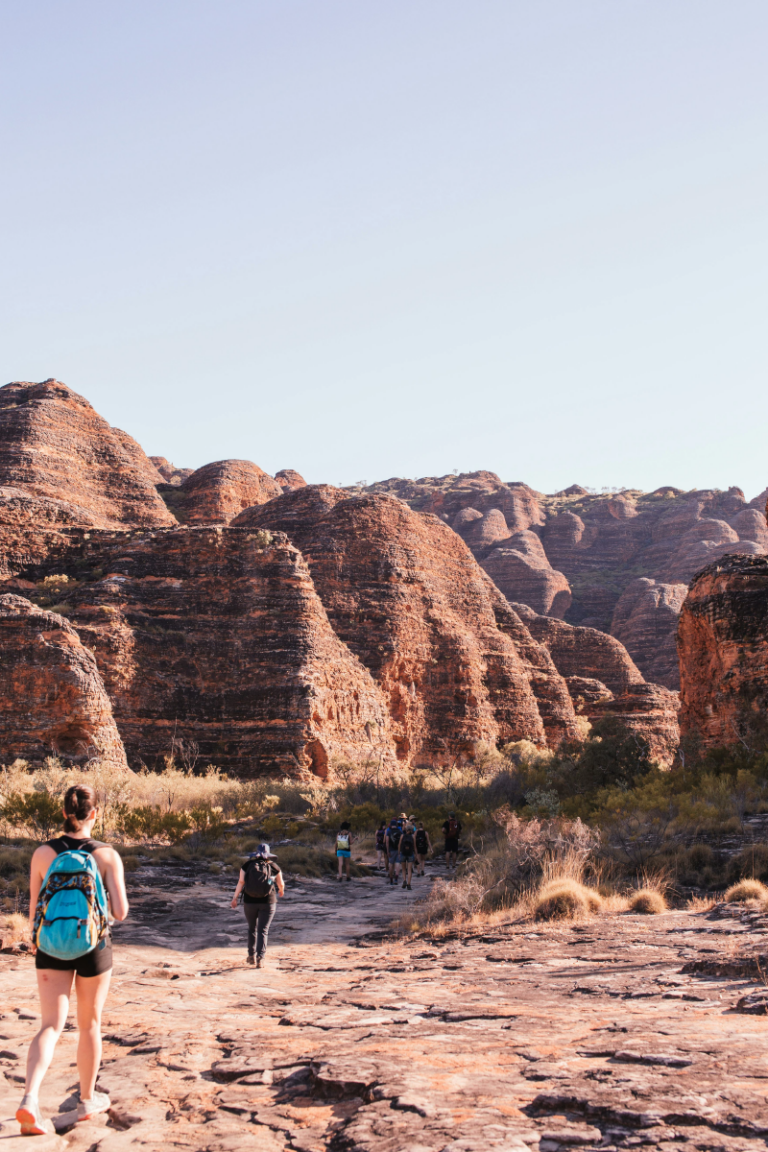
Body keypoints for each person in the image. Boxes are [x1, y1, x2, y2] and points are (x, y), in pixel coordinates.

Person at [17, 784, 129, 1137]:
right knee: (89, 1025)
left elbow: (35, 908)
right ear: (94, 814)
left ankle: (30, 1099)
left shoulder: (41, 854)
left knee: (50, 1024)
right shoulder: (107, 855)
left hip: (50, 945)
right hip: (93, 946)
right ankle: (86, 1099)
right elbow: (121, 912)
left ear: (65, 812)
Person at [231, 843, 284, 968]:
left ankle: (251, 956)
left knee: (252, 929)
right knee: (263, 930)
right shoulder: (274, 867)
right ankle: (261, 958)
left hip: (250, 902)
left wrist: (235, 898)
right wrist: (281, 890)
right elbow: (279, 883)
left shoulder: (247, 865)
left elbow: (241, 882)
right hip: (268, 902)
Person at [384, 816, 403, 886]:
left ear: (391, 825)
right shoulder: (400, 831)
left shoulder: (389, 832)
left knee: (391, 864)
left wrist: (387, 851)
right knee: (398, 864)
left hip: (391, 850)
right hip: (398, 850)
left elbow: (387, 842)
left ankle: (391, 878)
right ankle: (396, 878)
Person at [398, 822, 416, 890]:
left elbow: (399, 844)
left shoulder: (402, 836)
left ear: (406, 830)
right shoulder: (413, 836)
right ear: (411, 830)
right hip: (410, 854)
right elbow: (415, 846)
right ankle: (409, 884)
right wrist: (416, 855)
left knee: (403, 869)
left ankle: (404, 880)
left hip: (403, 853)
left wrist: (399, 853)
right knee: (409, 870)